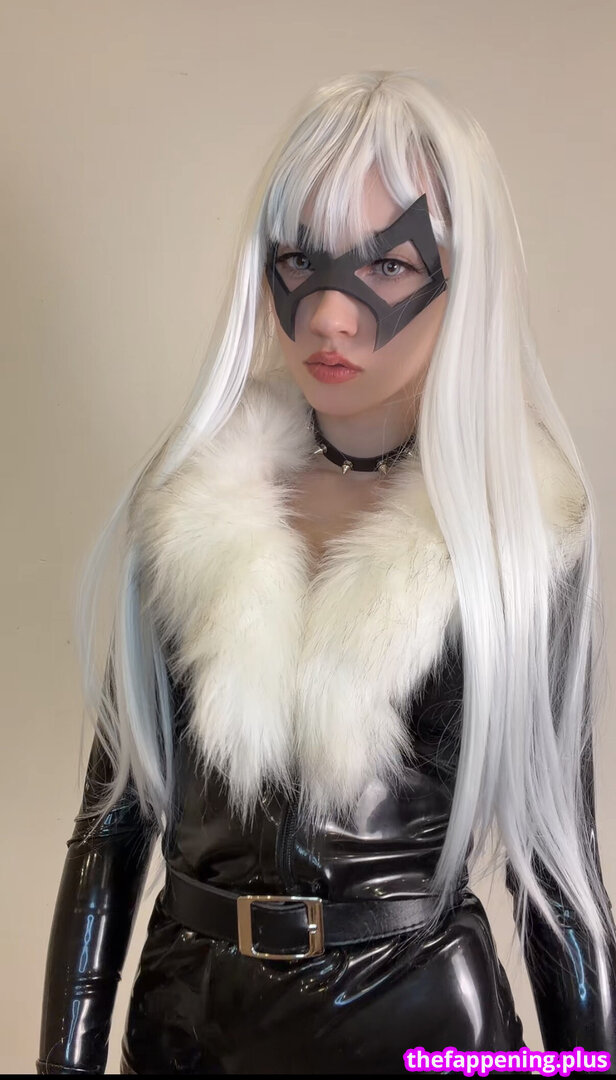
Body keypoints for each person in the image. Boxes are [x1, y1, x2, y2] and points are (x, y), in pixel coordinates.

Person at [37, 70, 616, 1075]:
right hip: (190, 1028)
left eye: (390, 264)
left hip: (424, 1034)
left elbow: (558, 883)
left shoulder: (517, 537)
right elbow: (111, 827)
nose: (330, 317)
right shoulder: (189, 512)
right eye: (301, 259)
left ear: (463, 279)